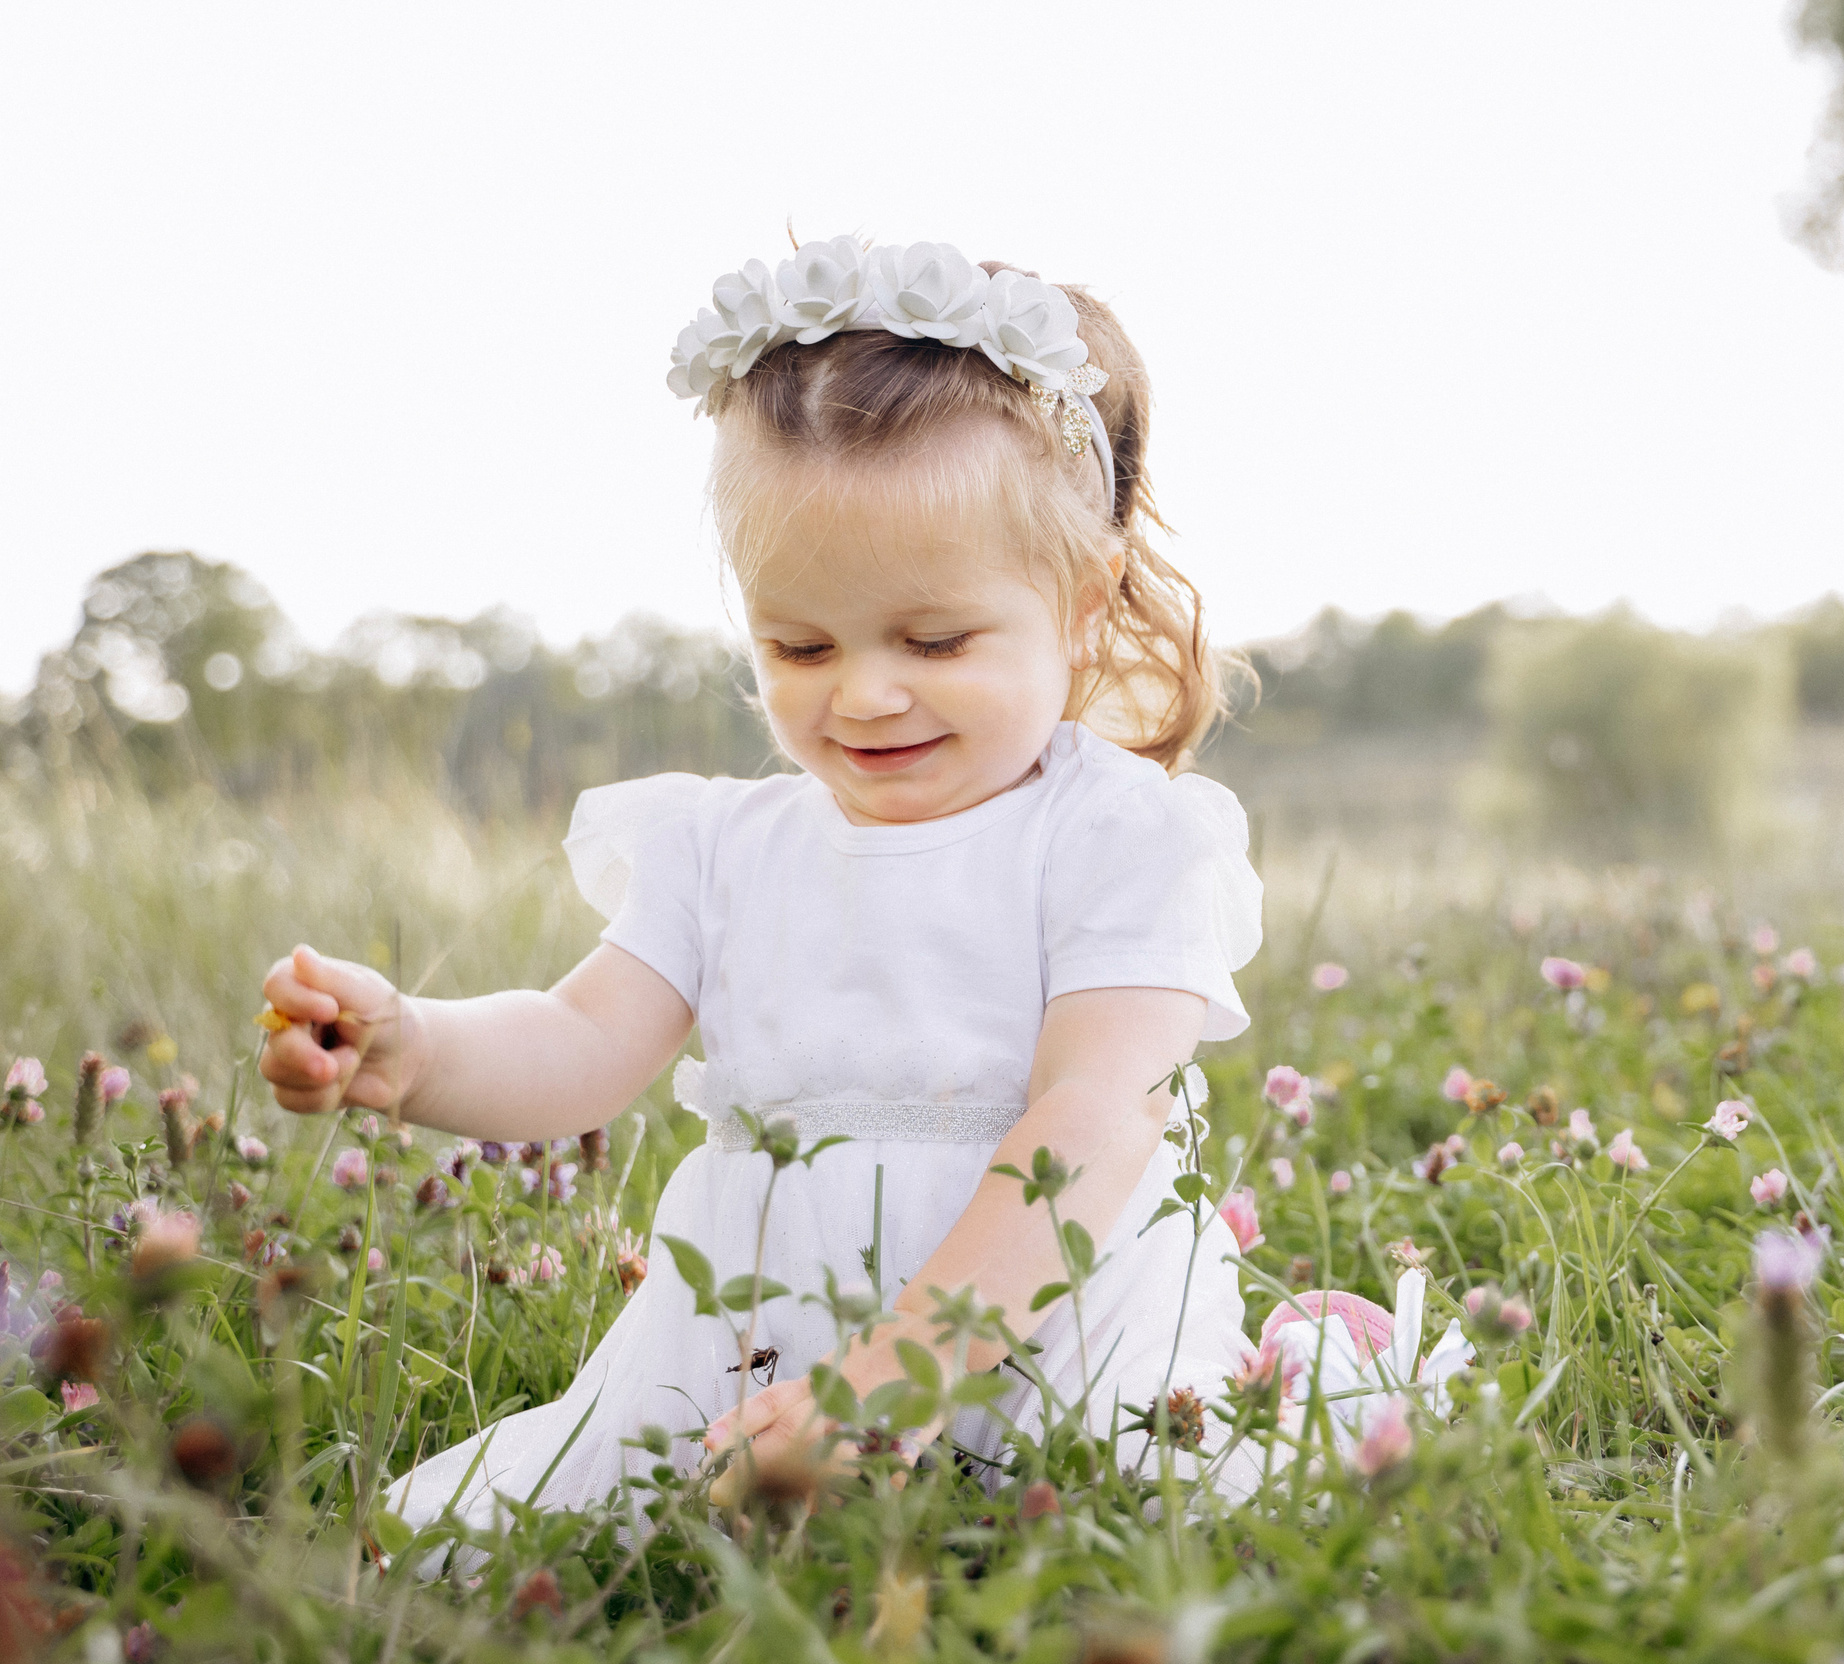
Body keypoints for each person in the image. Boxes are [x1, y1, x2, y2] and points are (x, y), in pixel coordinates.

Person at [254, 237, 1264, 1529]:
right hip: (751, 1346)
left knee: (1117, 1513)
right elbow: (580, 1039)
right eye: (799, 641)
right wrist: (416, 1049)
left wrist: (900, 1374)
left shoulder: (1116, 834)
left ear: (1081, 602)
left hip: (1046, 1330)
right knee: (540, 1532)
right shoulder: (724, 845)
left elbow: (1093, 1114)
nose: (864, 690)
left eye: (935, 637)